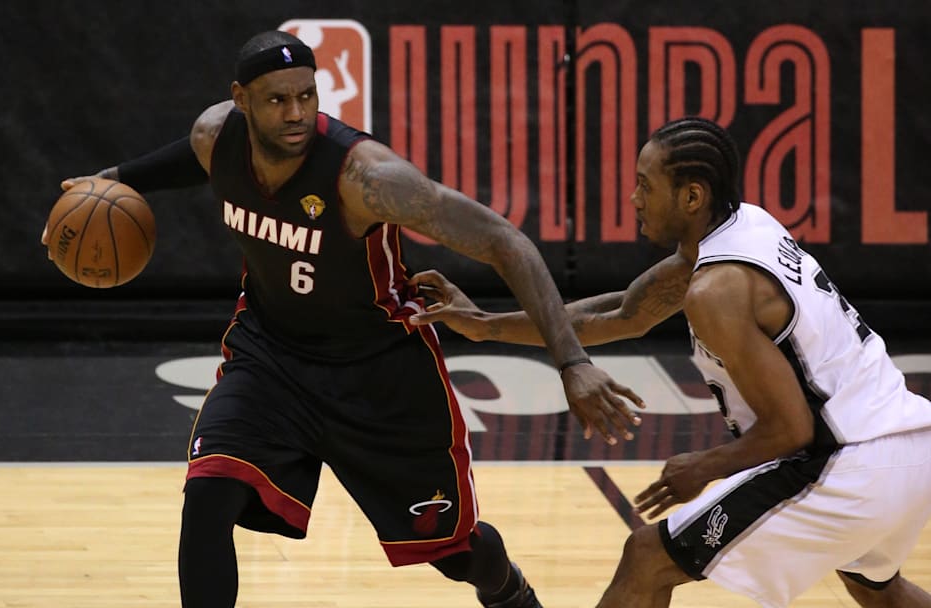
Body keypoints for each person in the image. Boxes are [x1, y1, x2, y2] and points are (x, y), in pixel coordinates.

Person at [43, 30, 645, 608]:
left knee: (454, 554)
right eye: (277, 100)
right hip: (271, 356)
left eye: (306, 95)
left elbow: (504, 241)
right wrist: (114, 181)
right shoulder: (214, 137)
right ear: (240, 101)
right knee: (208, 493)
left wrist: (571, 362)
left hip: (378, 375)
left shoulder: (366, 178)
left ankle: (505, 588)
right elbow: (190, 157)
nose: (296, 112)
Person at [409, 116, 931, 608]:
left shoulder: (718, 290)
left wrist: (699, 467)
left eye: (645, 185)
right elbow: (624, 313)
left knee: (647, 557)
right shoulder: (743, 228)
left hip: (850, 463)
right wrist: (484, 323)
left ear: (692, 196)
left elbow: (791, 428)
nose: (634, 199)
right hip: (908, 445)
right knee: (882, 594)